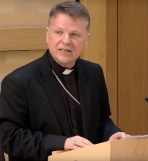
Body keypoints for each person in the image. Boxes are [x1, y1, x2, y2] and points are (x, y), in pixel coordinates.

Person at [0, 1, 127, 161]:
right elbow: (9, 138)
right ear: (47, 34)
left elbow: (101, 120)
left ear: (86, 39)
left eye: (75, 34)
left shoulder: (94, 72)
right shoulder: (18, 82)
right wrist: (63, 142)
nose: (66, 40)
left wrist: (112, 134)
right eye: (59, 32)